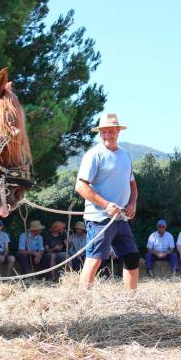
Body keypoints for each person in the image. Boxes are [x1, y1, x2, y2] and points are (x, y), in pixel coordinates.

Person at [75, 113, 140, 290]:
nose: (107, 135)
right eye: (103, 132)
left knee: (132, 258)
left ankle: (131, 301)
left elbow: (132, 184)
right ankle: (83, 303)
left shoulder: (125, 155)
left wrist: (133, 203)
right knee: (94, 261)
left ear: (118, 131)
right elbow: (80, 186)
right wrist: (106, 205)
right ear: (99, 133)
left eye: (111, 131)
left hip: (121, 218)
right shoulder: (93, 155)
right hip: (98, 218)